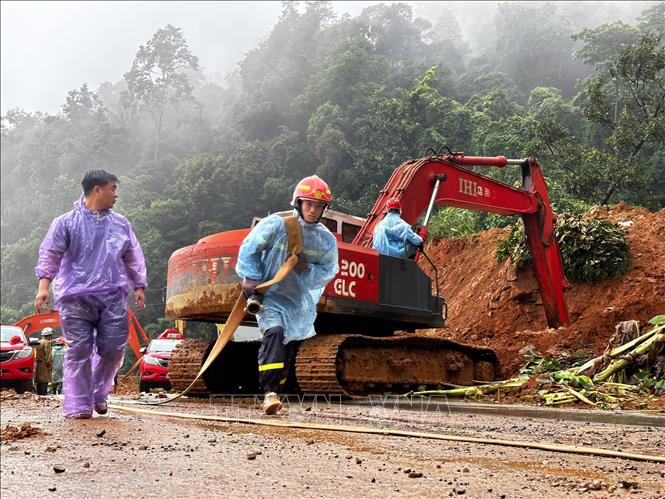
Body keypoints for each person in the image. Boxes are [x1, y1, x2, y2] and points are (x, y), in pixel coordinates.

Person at [34, 169, 147, 419]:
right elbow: (51, 255)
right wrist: (43, 287)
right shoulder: (65, 223)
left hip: (112, 295)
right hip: (75, 297)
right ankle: (78, 405)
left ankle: (99, 391)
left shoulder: (120, 224)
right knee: (79, 349)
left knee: (114, 348)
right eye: (113, 189)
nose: (116, 195)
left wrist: (139, 285)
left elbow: (132, 256)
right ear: (97, 189)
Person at [236, 175, 339, 415]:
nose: (313, 210)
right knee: (274, 333)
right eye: (309, 204)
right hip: (269, 296)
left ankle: (278, 393)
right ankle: (270, 393)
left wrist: (307, 268)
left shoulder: (325, 240)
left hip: (296, 302)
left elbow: (327, 272)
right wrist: (251, 278)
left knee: (287, 346)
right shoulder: (276, 224)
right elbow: (250, 248)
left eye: (319, 206)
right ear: (298, 203)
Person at [35, 327, 53, 395]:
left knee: (39, 380)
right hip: (44, 363)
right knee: (44, 380)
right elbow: (48, 354)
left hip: (38, 363)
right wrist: (49, 363)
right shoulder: (47, 342)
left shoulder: (39, 342)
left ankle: (39, 393)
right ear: (49, 335)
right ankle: (44, 394)